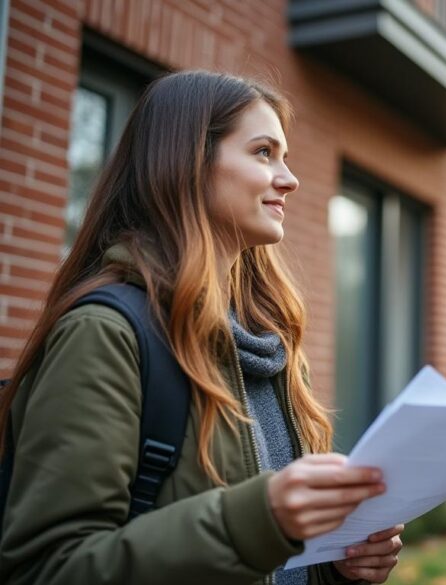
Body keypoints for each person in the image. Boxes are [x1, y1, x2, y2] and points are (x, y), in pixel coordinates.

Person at [0, 71, 402, 585]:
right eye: (263, 152)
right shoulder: (105, 334)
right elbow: (49, 569)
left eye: (285, 156)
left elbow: (272, 563)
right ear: (188, 162)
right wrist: (259, 519)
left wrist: (336, 564)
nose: (290, 178)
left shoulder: (265, 345)